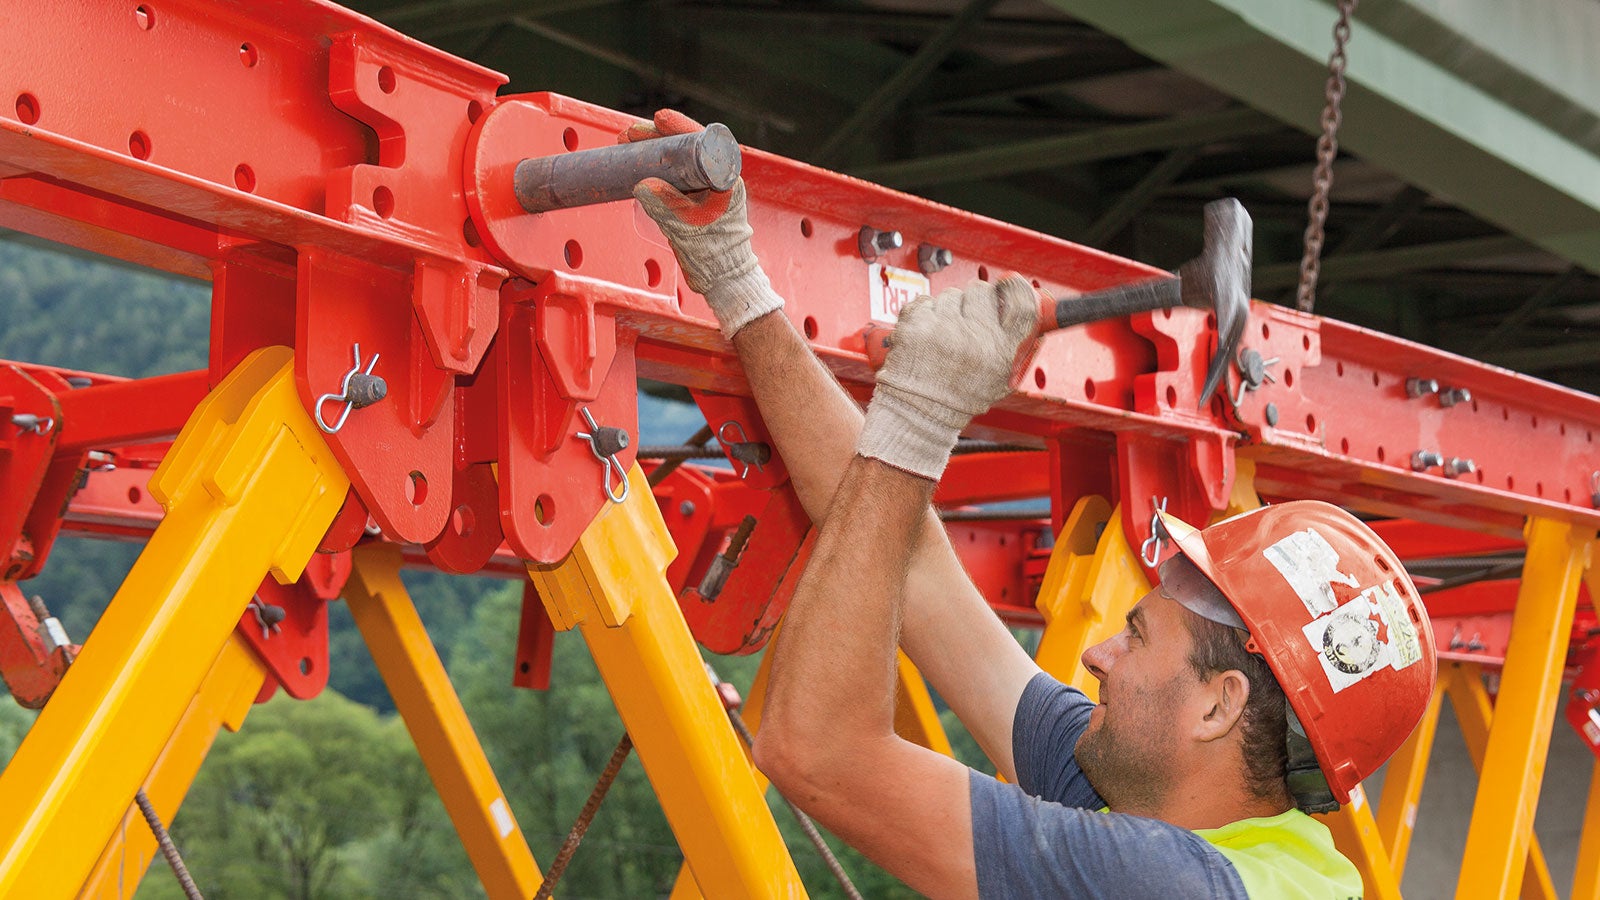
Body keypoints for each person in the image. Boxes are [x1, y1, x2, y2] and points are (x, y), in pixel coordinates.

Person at [627, 110, 1437, 899]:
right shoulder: (1215, 834)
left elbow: (818, 752)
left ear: (1219, 705)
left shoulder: (1165, 883)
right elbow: (909, 561)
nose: (1097, 655)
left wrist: (920, 417)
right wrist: (737, 282)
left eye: (1137, 635)